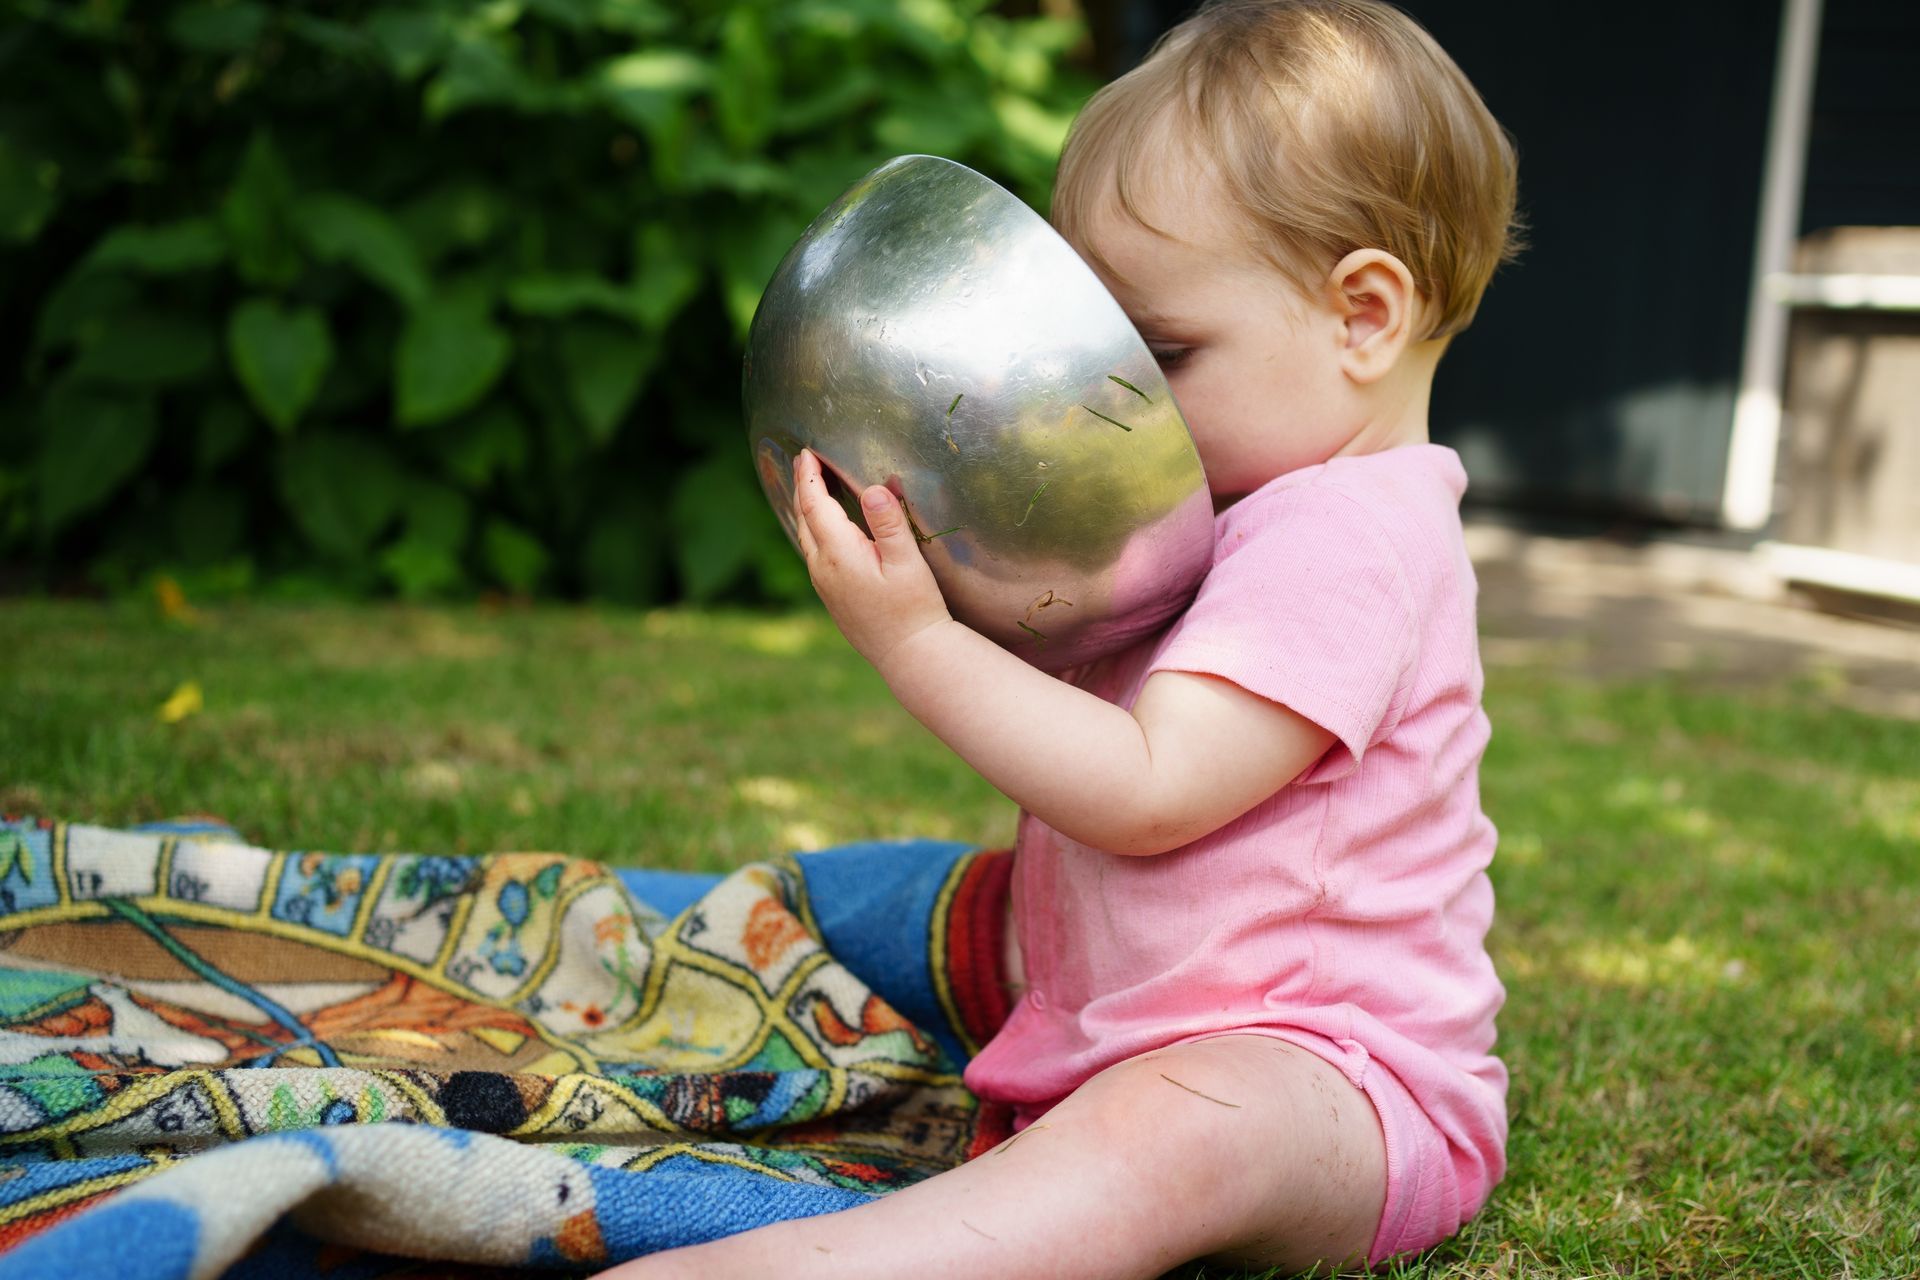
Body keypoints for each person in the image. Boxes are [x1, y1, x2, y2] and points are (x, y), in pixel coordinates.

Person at [602, 1, 1519, 1275]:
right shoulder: (1225, 508)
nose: (1112, 400)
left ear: (1363, 315)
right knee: (930, 905)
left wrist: (918, 641)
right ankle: (679, 944)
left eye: (1161, 353)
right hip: (1127, 1008)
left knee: (1174, 1133)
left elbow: (1148, 789)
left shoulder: (1347, 540)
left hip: (1330, 1075)